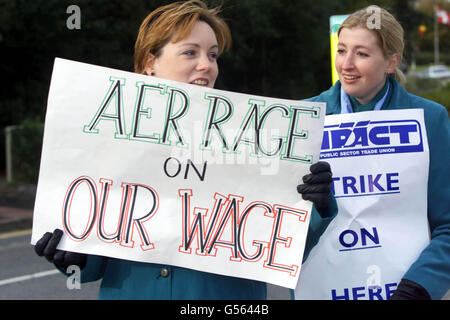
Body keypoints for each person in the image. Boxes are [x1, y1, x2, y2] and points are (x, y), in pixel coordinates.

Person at [34, 0, 336, 300]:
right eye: (190, 52)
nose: (207, 65)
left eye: (213, 55)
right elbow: (94, 258)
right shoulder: (107, 140)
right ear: (150, 63)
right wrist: (74, 257)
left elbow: (278, 249)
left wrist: (315, 207)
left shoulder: (258, 141)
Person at [295, 6, 449, 300]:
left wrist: (418, 287)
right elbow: (277, 230)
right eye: (342, 51)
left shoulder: (430, 119)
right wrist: (317, 210)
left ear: (392, 61)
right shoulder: (303, 118)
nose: (346, 64)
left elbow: (447, 223)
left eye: (362, 54)